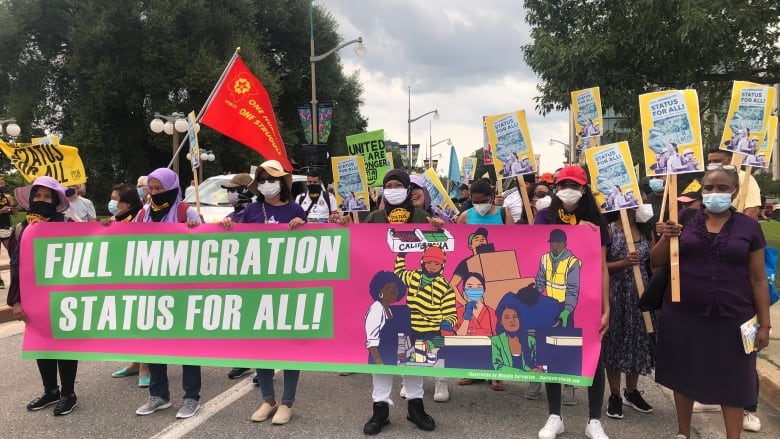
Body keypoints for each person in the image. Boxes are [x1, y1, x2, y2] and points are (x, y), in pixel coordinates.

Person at [651, 164, 770, 439]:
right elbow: (657, 262)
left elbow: (758, 279)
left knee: (735, 381)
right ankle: (683, 432)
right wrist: (666, 237)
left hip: (734, 316)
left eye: (722, 188)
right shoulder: (684, 218)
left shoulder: (749, 227)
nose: (714, 193)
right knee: (684, 374)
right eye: (708, 188)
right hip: (683, 314)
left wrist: (765, 324)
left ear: (735, 192)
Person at [222, 160, 307, 426]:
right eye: (261, 180)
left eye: (270, 179)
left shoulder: (296, 210)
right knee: (261, 345)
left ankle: (287, 402)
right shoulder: (251, 210)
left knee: (290, 346)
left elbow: (317, 241)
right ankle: (268, 399)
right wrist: (219, 225)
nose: (265, 184)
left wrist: (302, 225)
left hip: (288, 288)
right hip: (257, 288)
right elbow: (227, 230)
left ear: (282, 183)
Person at [533, 165, 611, 439]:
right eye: (563, 184)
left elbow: (602, 267)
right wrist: (575, 230)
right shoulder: (545, 216)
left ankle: (594, 420)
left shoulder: (596, 221)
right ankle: (555, 416)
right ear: (556, 187)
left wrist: (606, 307)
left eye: (575, 185)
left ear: (584, 188)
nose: (568, 189)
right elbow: (534, 246)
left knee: (593, 357)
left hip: (585, 301)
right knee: (552, 354)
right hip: (551, 303)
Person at [360, 169, 439, 435]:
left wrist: (439, 228)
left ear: (408, 189)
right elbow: (358, 248)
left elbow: (439, 248)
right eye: (388, 185)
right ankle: (380, 408)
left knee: (412, 352)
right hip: (383, 296)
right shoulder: (373, 218)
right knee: (381, 351)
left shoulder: (422, 217)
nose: (393, 189)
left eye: (398, 185)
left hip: (414, 296)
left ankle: (415, 406)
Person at [133, 168, 202, 419]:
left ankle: (191, 397)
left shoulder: (186, 212)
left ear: (171, 187)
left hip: (184, 289)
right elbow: (127, 241)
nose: (153, 193)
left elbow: (206, 247)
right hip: (152, 289)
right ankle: (158, 395)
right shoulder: (143, 214)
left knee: (187, 344)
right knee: (154, 343)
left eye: (159, 188)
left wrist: (196, 229)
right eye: (151, 188)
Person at [9, 176, 78, 416]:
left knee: (65, 346)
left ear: (56, 200)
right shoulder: (21, 228)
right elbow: (16, 267)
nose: (41, 200)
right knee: (42, 345)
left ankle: (69, 394)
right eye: (37, 195)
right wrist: (16, 301)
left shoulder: (68, 224)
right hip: (34, 299)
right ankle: (51, 391)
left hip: (64, 296)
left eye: (48, 196)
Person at [602, 204, 656, 420]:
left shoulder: (646, 231)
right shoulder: (609, 229)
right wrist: (623, 263)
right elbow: (600, 264)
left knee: (637, 342)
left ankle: (631, 391)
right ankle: (614, 394)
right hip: (615, 293)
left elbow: (654, 261)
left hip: (640, 295)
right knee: (614, 342)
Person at [104, 185, 150, 386]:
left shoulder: (140, 218)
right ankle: (134, 363)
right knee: (129, 322)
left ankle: (145, 367)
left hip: (139, 278)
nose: (112, 203)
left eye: (116, 199)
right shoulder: (116, 220)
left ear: (128, 203)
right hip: (120, 278)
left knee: (142, 322)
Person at [219, 173, 258, 381]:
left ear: (245, 191)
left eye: (234, 190)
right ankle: (243, 360)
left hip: (257, 276)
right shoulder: (229, 216)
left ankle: (264, 365)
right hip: (236, 277)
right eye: (229, 190)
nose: (230, 194)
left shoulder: (256, 212)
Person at [707, 147, 761, 219]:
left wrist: (739, 229)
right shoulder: (708, 180)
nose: (712, 164)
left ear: (730, 160)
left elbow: (752, 210)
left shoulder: (745, 178)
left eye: (716, 161)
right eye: (710, 162)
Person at [0, 176, 18, 288]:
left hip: (5, 228)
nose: (2, 183)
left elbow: (15, 214)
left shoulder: (7, 197)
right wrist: (1, 211)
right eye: (0, 181)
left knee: (14, 253)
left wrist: (13, 208)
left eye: (2, 181)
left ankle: (16, 278)